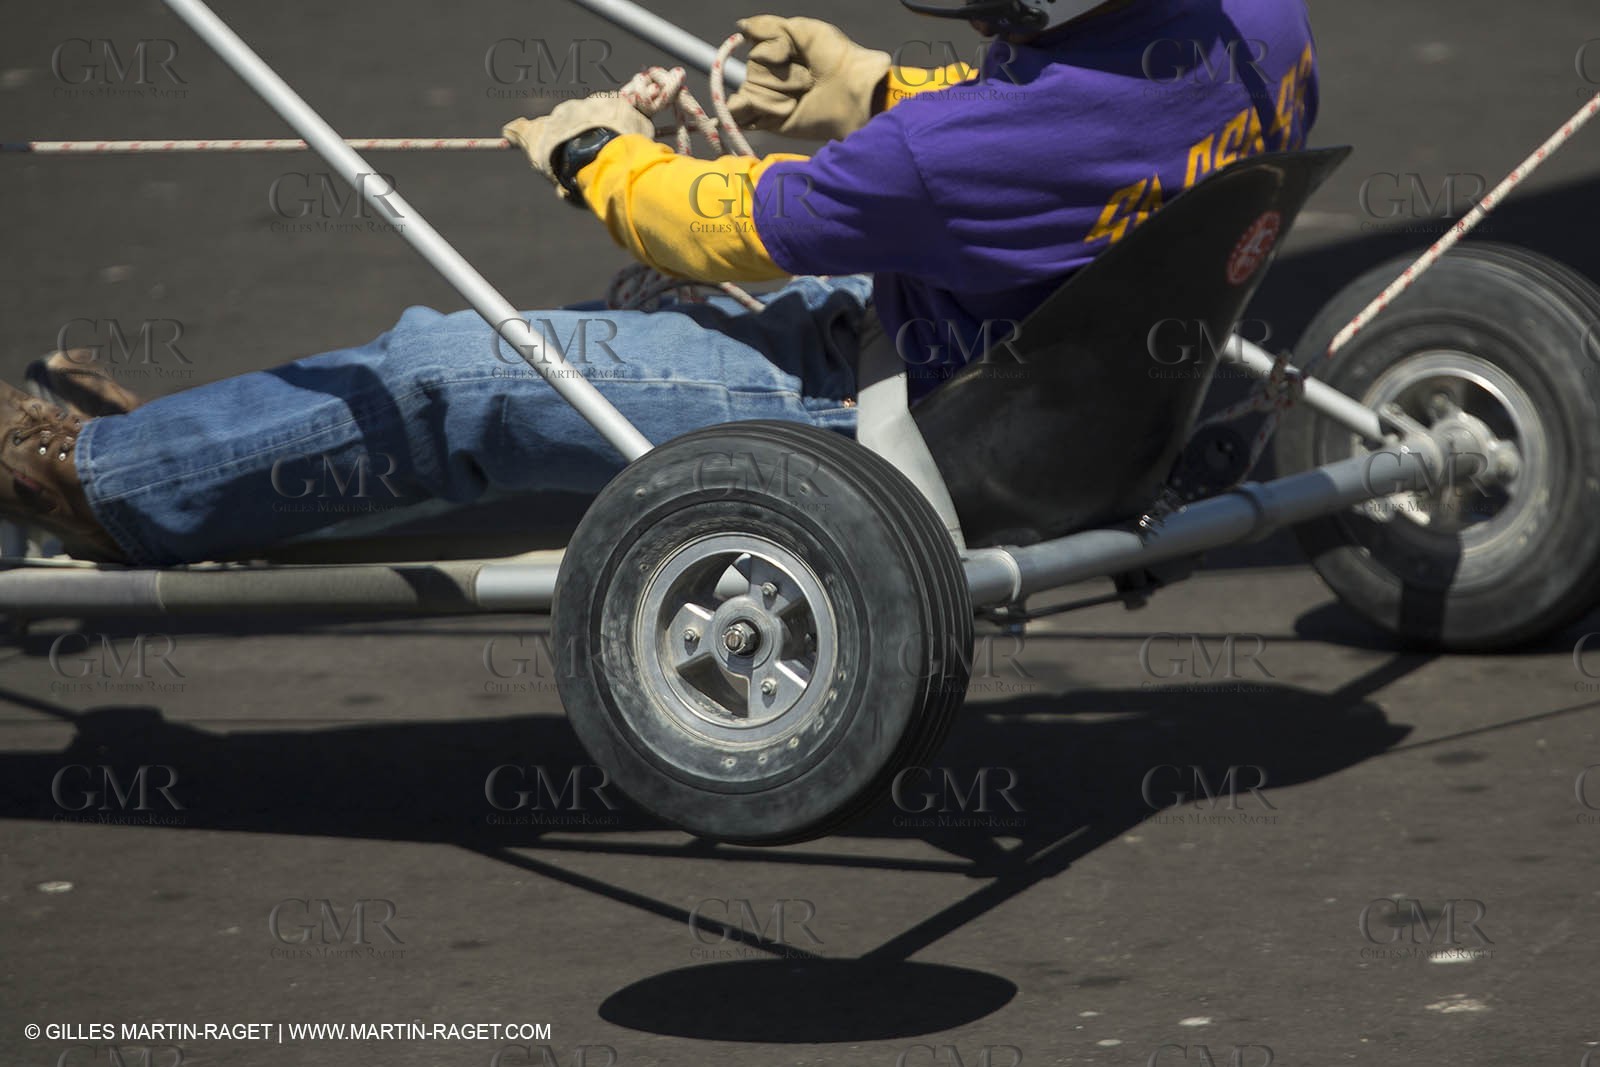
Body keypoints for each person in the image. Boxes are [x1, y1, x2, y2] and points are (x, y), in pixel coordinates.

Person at [0, 0, 1317, 564]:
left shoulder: (949, 150)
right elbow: (1062, 129)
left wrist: (589, 151)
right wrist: (864, 87)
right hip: (1061, 379)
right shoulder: (1259, 24)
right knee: (684, 330)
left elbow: (715, 222)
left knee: (455, 373)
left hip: (935, 443)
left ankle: (110, 489)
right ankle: (185, 454)